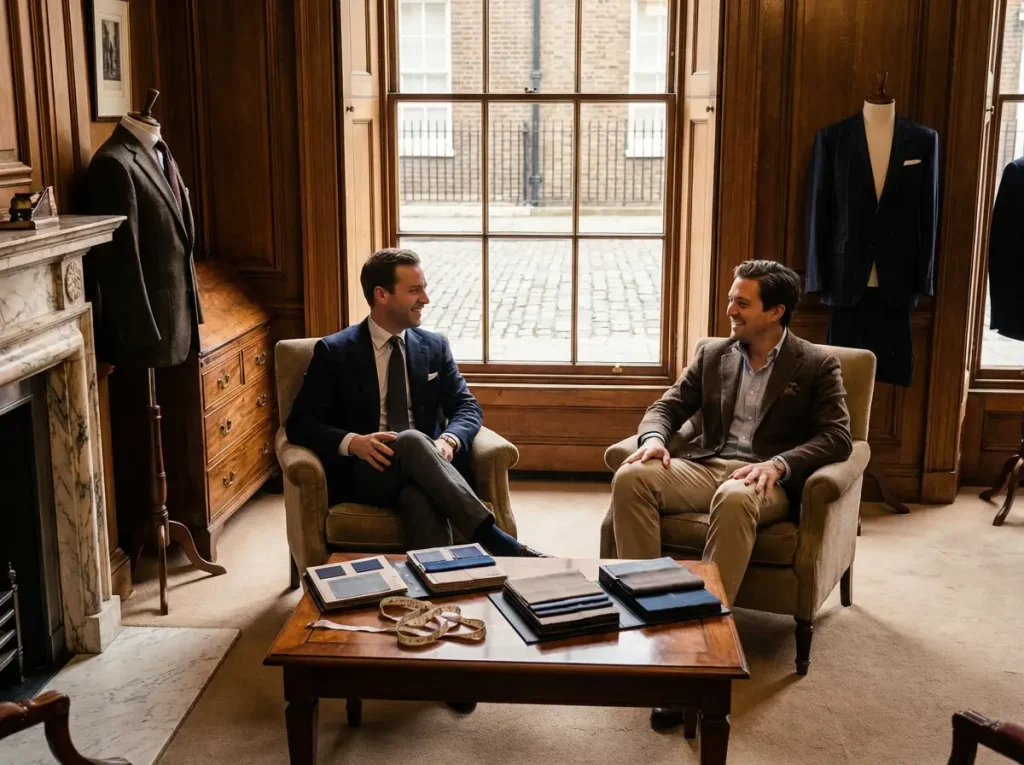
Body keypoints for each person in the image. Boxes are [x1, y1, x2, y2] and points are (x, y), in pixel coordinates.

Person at [608, 260, 853, 730]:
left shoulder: (818, 363)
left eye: (742, 302)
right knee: (631, 477)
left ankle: (700, 642)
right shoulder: (714, 354)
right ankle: (649, 616)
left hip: (767, 480)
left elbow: (838, 437)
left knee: (738, 495)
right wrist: (654, 440)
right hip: (706, 464)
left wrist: (779, 463)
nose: (730, 310)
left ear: (776, 311)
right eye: (730, 299)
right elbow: (668, 405)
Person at [286, 247, 546, 559]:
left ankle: (436, 595)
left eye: (423, 288)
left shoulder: (434, 346)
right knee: (409, 439)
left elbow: (466, 406)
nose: (425, 299)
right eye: (414, 290)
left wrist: (449, 440)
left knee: (418, 496)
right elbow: (300, 423)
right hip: (368, 472)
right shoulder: (335, 352)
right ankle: (493, 538)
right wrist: (353, 443)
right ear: (382, 295)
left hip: (432, 467)